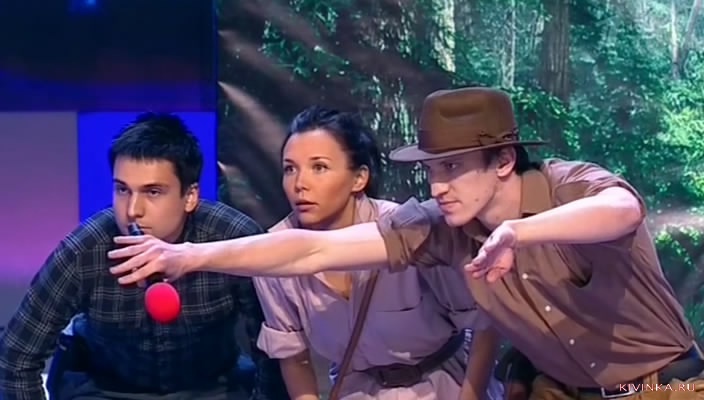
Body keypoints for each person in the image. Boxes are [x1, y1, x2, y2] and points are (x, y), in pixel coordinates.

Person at [108, 88, 704, 399]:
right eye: (432, 170)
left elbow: (622, 210)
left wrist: (518, 232)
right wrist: (188, 255)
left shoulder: (566, 185)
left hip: (661, 386)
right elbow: (311, 251)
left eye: (453, 168)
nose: (438, 185)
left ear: (503, 160)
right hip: (558, 389)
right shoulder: (439, 225)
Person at [0, 113, 288, 400]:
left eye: (153, 192)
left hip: (211, 388)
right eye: (122, 189)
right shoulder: (84, 250)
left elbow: (274, 353)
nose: (133, 210)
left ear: (190, 196)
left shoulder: (234, 240)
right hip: (106, 390)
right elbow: (17, 357)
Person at [252, 106, 503, 400]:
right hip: (357, 389)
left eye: (319, 167)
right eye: (289, 169)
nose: (300, 184)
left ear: (359, 178)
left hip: (445, 383)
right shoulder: (275, 253)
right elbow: (293, 357)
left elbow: (484, 326)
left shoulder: (411, 231)